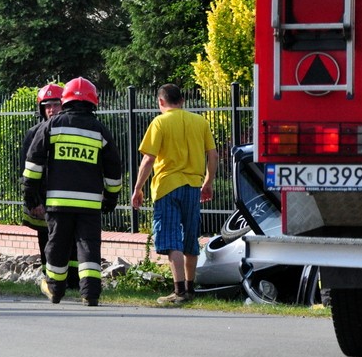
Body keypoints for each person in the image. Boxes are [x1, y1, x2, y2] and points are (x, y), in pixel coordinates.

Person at [23, 77, 123, 306]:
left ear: (65, 100)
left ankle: (55, 290)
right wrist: (111, 197)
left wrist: (30, 193)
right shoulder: (100, 130)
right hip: (89, 204)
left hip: (58, 203)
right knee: (88, 247)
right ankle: (90, 294)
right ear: (93, 101)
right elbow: (114, 168)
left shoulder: (52, 125)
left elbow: (33, 161)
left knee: (57, 244)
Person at [130, 83, 218, 305]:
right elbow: (213, 154)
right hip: (193, 187)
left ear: (161, 101)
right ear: (182, 101)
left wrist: (138, 187)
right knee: (190, 238)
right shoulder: (200, 122)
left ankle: (178, 292)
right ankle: (190, 289)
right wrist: (208, 182)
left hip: (167, 187)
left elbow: (148, 159)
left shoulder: (160, 122)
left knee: (171, 239)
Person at [19, 83, 78, 287]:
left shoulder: (71, 131)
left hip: (66, 198)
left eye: (56, 105)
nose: (52, 110)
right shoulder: (33, 133)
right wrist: (34, 201)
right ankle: (50, 279)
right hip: (42, 199)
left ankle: (73, 281)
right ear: (41, 109)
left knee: (71, 241)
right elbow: (26, 171)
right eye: (48, 106)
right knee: (46, 241)